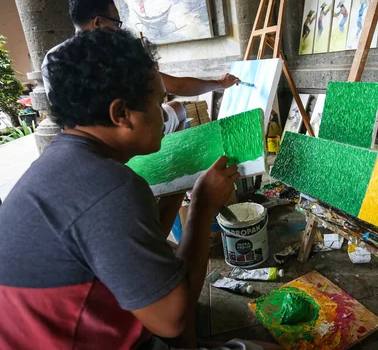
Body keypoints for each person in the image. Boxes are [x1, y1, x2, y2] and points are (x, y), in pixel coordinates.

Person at [0, 29, 276, 350]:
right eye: (159, 102)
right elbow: (172, 321)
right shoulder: (109, 187)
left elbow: (133, 245)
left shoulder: (64, 161)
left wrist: (176, 190)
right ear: (121, 114)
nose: (165, 114)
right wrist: (201, 208)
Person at [41, 0, 241, 135]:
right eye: (116, 22)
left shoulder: (53, 58)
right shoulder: (112, 55)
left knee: (172, 111)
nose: (118, 30)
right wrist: (220, 84)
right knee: (176, 110)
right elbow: (177, 85)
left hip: (82, 139)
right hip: (121, 134)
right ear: (98, 22)